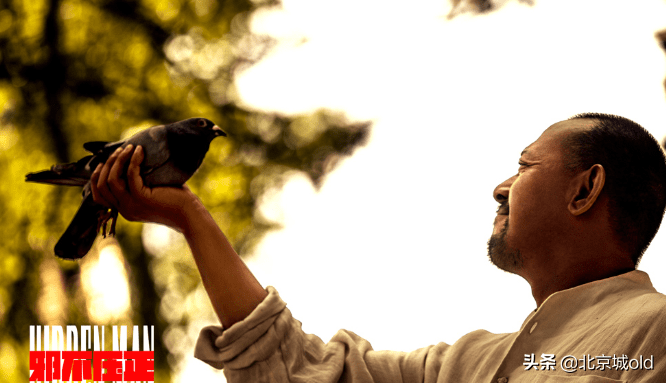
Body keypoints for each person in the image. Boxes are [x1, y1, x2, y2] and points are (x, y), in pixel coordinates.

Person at [91, 113, 666, 382]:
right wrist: (192, 219)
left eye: (523, 166)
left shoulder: (653, 333)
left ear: (585, 189)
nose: (500, 186)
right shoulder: (465, 367)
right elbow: (298, 371)